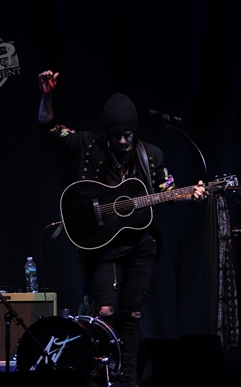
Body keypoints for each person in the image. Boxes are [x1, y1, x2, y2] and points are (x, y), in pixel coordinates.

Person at [37, 70, 207, 387]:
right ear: (108, 131)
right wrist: (46, 96)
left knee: (133, 314)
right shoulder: (89, 144)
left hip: (141, 244)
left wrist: (189, 194)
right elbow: (49, 129)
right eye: (117, 135)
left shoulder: (150, 155)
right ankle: (103, 376)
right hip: (102, 245)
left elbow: (167, 190)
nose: (123, 141)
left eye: (128, 134)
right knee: (105, 311)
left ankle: (128, 379)